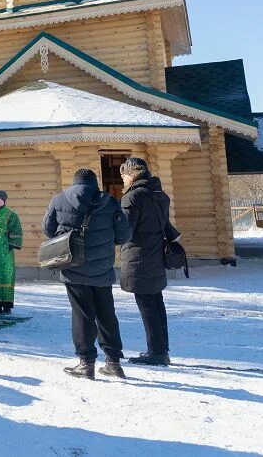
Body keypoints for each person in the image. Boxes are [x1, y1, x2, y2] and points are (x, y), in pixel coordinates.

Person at [43, 168, 131, 380]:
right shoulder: (110, 202)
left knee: (82, 315)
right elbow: (124, 234)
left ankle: (86, 363)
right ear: (95, 182)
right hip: (102, 268)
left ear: (75, 182)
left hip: (73, 267)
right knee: (106, 314)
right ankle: (113, 362)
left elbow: (48, 229)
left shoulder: (59, 199)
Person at [119, 157, 180, 367]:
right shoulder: (159, 195)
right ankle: (162, 349)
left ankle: (156, 352)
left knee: (147, 306)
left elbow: (126, 231)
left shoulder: (132, 197)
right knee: (156, 303)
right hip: (156, 255)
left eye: (123, 175)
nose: (122, 179)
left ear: (131, 174)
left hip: (138, 257)